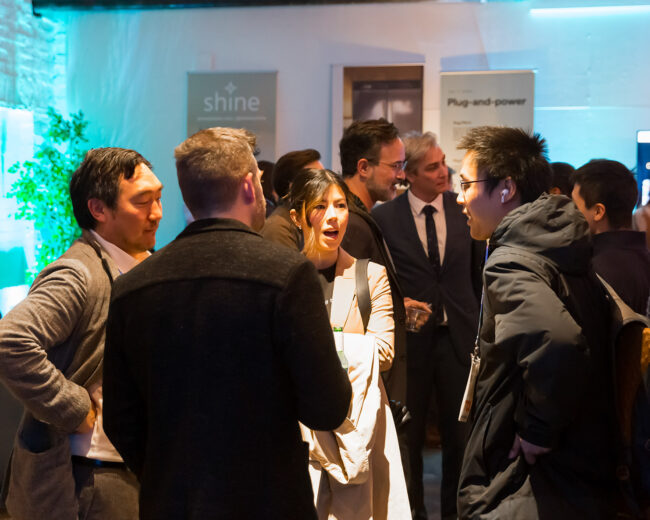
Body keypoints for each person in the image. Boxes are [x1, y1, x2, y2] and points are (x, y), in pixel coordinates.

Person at [102, 128, 351, 520]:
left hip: (173, 504)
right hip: (269, 502)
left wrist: (166, 475)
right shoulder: (288, 274)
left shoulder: (132, 286)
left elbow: (120, 419)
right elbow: (328, 407)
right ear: (250, 186)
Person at [456, 126, 617, 518]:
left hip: (528, 481)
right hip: (578, 469)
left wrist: (536, 431)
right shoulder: (559, 243)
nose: (459, 198)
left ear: (506, 189)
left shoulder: (512, 260)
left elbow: (557, 340)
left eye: (466, 184)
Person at [0, 147, 163, 520]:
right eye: (142, 202)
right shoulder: (79, 273)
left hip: (132, 468)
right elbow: (10, 341)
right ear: (98, 209)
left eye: (158, 198)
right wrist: (73, 408)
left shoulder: (139, 265)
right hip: (92, 476)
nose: (156, 213)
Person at [372, 131, 484, 520]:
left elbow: (477, 272)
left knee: (461, 435)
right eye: (432, 167)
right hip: (411, 342)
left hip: (459, 337)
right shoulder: (384, 217)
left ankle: (457, 512)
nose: (443, 172)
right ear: (410, 174)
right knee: (408, 435)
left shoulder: (463, 207)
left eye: (443, 163)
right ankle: (413, 511)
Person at [288, 168, 410, 520]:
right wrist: (345, 344)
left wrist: (315, 347)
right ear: (297, 217)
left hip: (360, 425)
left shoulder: (369, 275)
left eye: (340, 205)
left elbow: (384, 351)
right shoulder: (282, 279)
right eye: (320, 206)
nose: (333, 216)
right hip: (300, 428)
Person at [339, 119, 425, 455]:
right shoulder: (350, 224)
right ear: (364, 167)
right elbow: (345, 314)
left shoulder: (361, 218)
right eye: (396, 166)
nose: (402, 176)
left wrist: (395, 307)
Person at [572, 159, 650, 315]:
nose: (570, 214)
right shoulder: (644, 259)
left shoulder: (592, 271)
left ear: (598, 212)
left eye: (575, 206)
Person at [261, 149, 323, 250]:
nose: (325, 185)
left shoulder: (307, 220)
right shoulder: (279, 228)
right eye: (316, 179)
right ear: (293, 186)